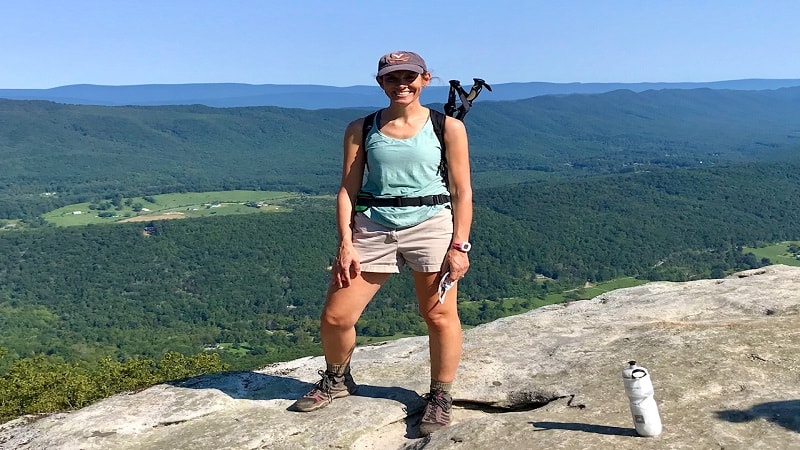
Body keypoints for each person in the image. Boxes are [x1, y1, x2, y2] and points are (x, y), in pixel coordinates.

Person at [290, 51, 473, 435]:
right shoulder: (362, 127)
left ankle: (440, 396)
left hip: (432, 224)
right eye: (392, 78)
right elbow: (347, 187)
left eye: (409, 76)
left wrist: (460, 246)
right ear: (381, 83)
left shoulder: (448, 127)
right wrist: (346, 242)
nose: (401, 84)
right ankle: (338, 379)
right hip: (372, 226)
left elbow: (461, 190)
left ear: (425, 79)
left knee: (439, 315)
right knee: (337, 317)